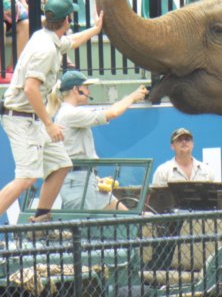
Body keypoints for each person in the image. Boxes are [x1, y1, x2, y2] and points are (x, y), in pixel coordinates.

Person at [0, 0, 103, 222]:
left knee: (61, 165)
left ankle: (41, 220)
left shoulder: (44, 37)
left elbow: (71, 42)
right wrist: (49, 124)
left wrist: (95, 30)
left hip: (32, 118)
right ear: (67, 20)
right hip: (20, 119)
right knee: (26, 178)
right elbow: (30, 88)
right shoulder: (45, 49)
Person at [47, 70, 148, 210]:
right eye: (86, 87)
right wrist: (132, 97)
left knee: (127, 218)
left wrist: (94, 177)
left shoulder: (70, 112)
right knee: (83, 230)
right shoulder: (70, 113)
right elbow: (112, 113)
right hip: (77, 184)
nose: (89, 91)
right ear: (76, 90)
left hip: (87, 180)